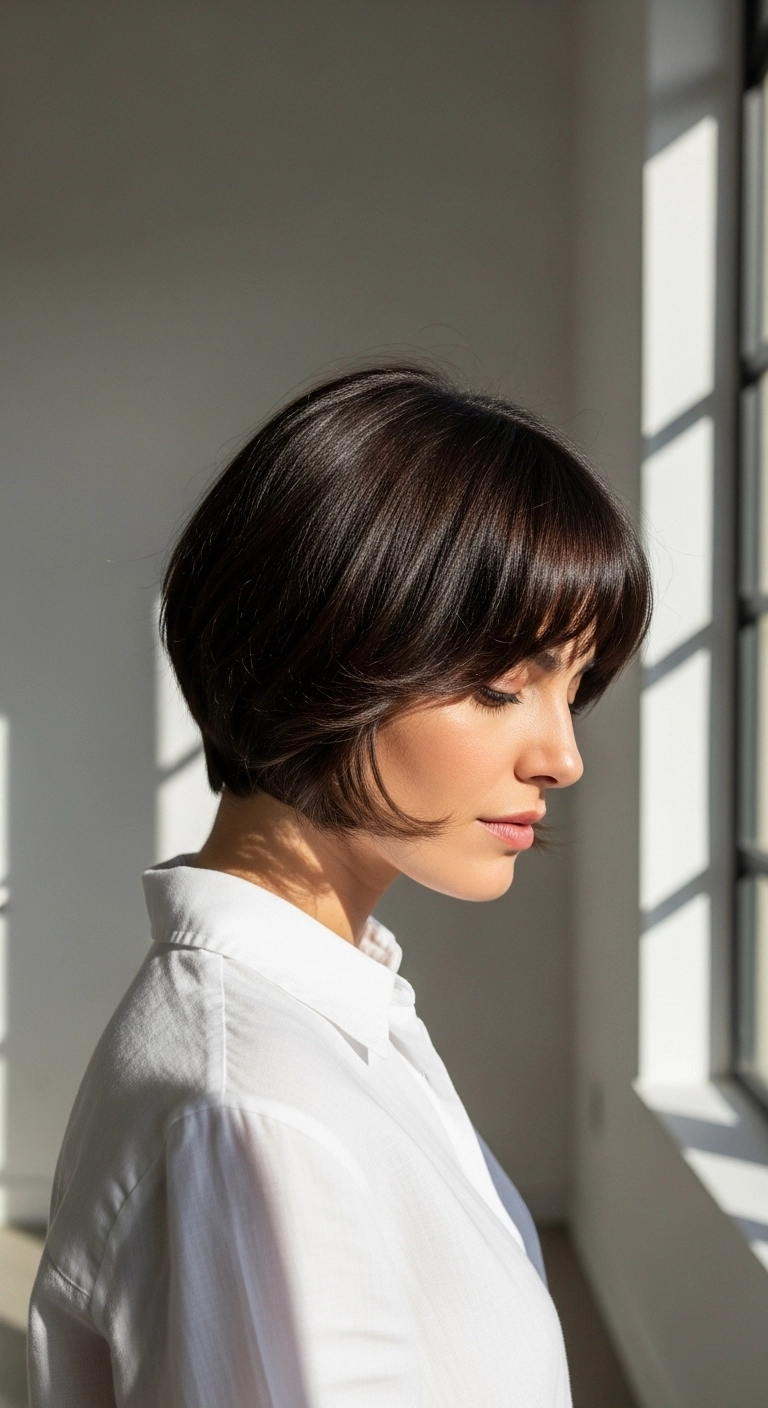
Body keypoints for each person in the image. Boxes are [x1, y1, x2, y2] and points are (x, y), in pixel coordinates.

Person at [28, 366, 651, 1407]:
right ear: (319, 654)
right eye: (501, 686)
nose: (561, 756)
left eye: (573, 689)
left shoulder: (320, 1010)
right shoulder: (256, 1113)